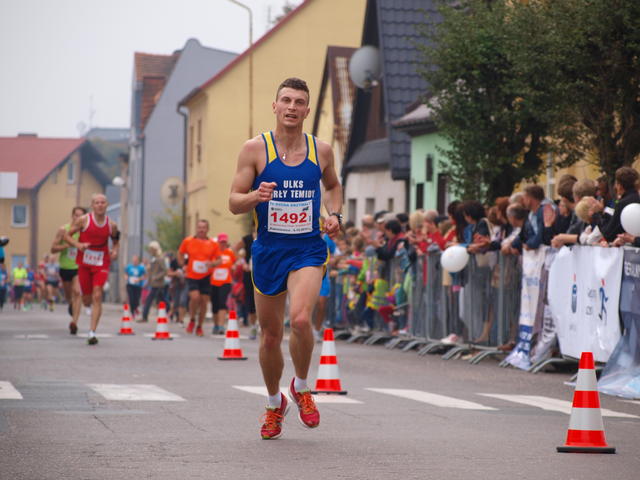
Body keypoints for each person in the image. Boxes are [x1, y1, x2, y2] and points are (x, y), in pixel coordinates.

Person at [228, 77, 342, 440]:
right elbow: (234, 201)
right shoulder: (254, 149)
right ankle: (274, 402)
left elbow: (333, 186)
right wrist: (255, 196)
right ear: (275, 106)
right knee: (269, 337)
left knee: (302, 319)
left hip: (307, 248)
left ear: (307, 110)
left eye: (299, 102)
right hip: (268, 251)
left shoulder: (321, 150)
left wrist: (334, 214)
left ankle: (302, 387)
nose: (292, 107)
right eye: (286, 100)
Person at [64, 193, 119, 345]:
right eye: (97, 202)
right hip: (84, 262)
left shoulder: (112, 225)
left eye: (103, 202)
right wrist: (78, 245)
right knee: (87, 299)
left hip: (102, 262)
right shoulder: (83, 220)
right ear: (92, 206)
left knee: (97, 295)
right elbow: (67, 236)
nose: (100, 205)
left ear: (107, 205)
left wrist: (115, 250)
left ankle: (92, 332)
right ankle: (84, 306)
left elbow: (116, 241)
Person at [177, 219, 221, 337]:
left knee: (204, 301)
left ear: (208, 229)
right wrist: (182, 265)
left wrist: (212, 263)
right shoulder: (188, 241)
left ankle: (199, 326)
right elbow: (180, 253)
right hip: (192, 275)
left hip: (206, 276)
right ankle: (192, 319)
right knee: (195, 297)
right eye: (199, 227)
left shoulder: (213, 244)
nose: (201, 230)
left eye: (204, 227)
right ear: (196, 229)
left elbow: (219, 260)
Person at [51, 206, 86, 333]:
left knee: (77, 292)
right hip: (65, 267)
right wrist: (66, 245)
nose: (78, 218)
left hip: (79, 267)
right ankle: (71, 303)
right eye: (76, 215)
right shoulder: (63, 230)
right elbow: (53, 249)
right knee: (68, 295)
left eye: (81, 216)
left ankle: (74, 323)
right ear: (72, 216)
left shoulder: (85, 231)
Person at [210, 233, 235, 335]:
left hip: (226, 282)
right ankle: (216, 325)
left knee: (222, 302)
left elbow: (233, 264)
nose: (223, 244)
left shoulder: (230, 253)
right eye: (221, 242)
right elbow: (209, 264)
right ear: (218, 242)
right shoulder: (214, 252)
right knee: (214, 305)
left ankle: (221, 326)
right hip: (214, 282)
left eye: (224, 242)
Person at [141, 241, 168, 323]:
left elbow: (164, 271)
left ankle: (144, 316)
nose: (150, 250)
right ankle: (172, 312)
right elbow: (151, 272)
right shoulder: (153, 259)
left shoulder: (160, 259)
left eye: (151, 249)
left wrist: (156, 277)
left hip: (158, 284)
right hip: (153, 284)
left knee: (149, 300)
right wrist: (147, 282)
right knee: (162, 300)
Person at [124, 255, 146, 321]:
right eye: (133, 260)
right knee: (131, 298)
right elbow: (126, 273)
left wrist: (139, 279)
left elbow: (144, 276)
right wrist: (126, 277)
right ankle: (132, 312)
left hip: (138, 285)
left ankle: (136, 308)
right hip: (130, 285)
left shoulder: (141, 268)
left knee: (136, 299)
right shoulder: (129, 266)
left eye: (136, 260)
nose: (134, 261)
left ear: (138, 261)